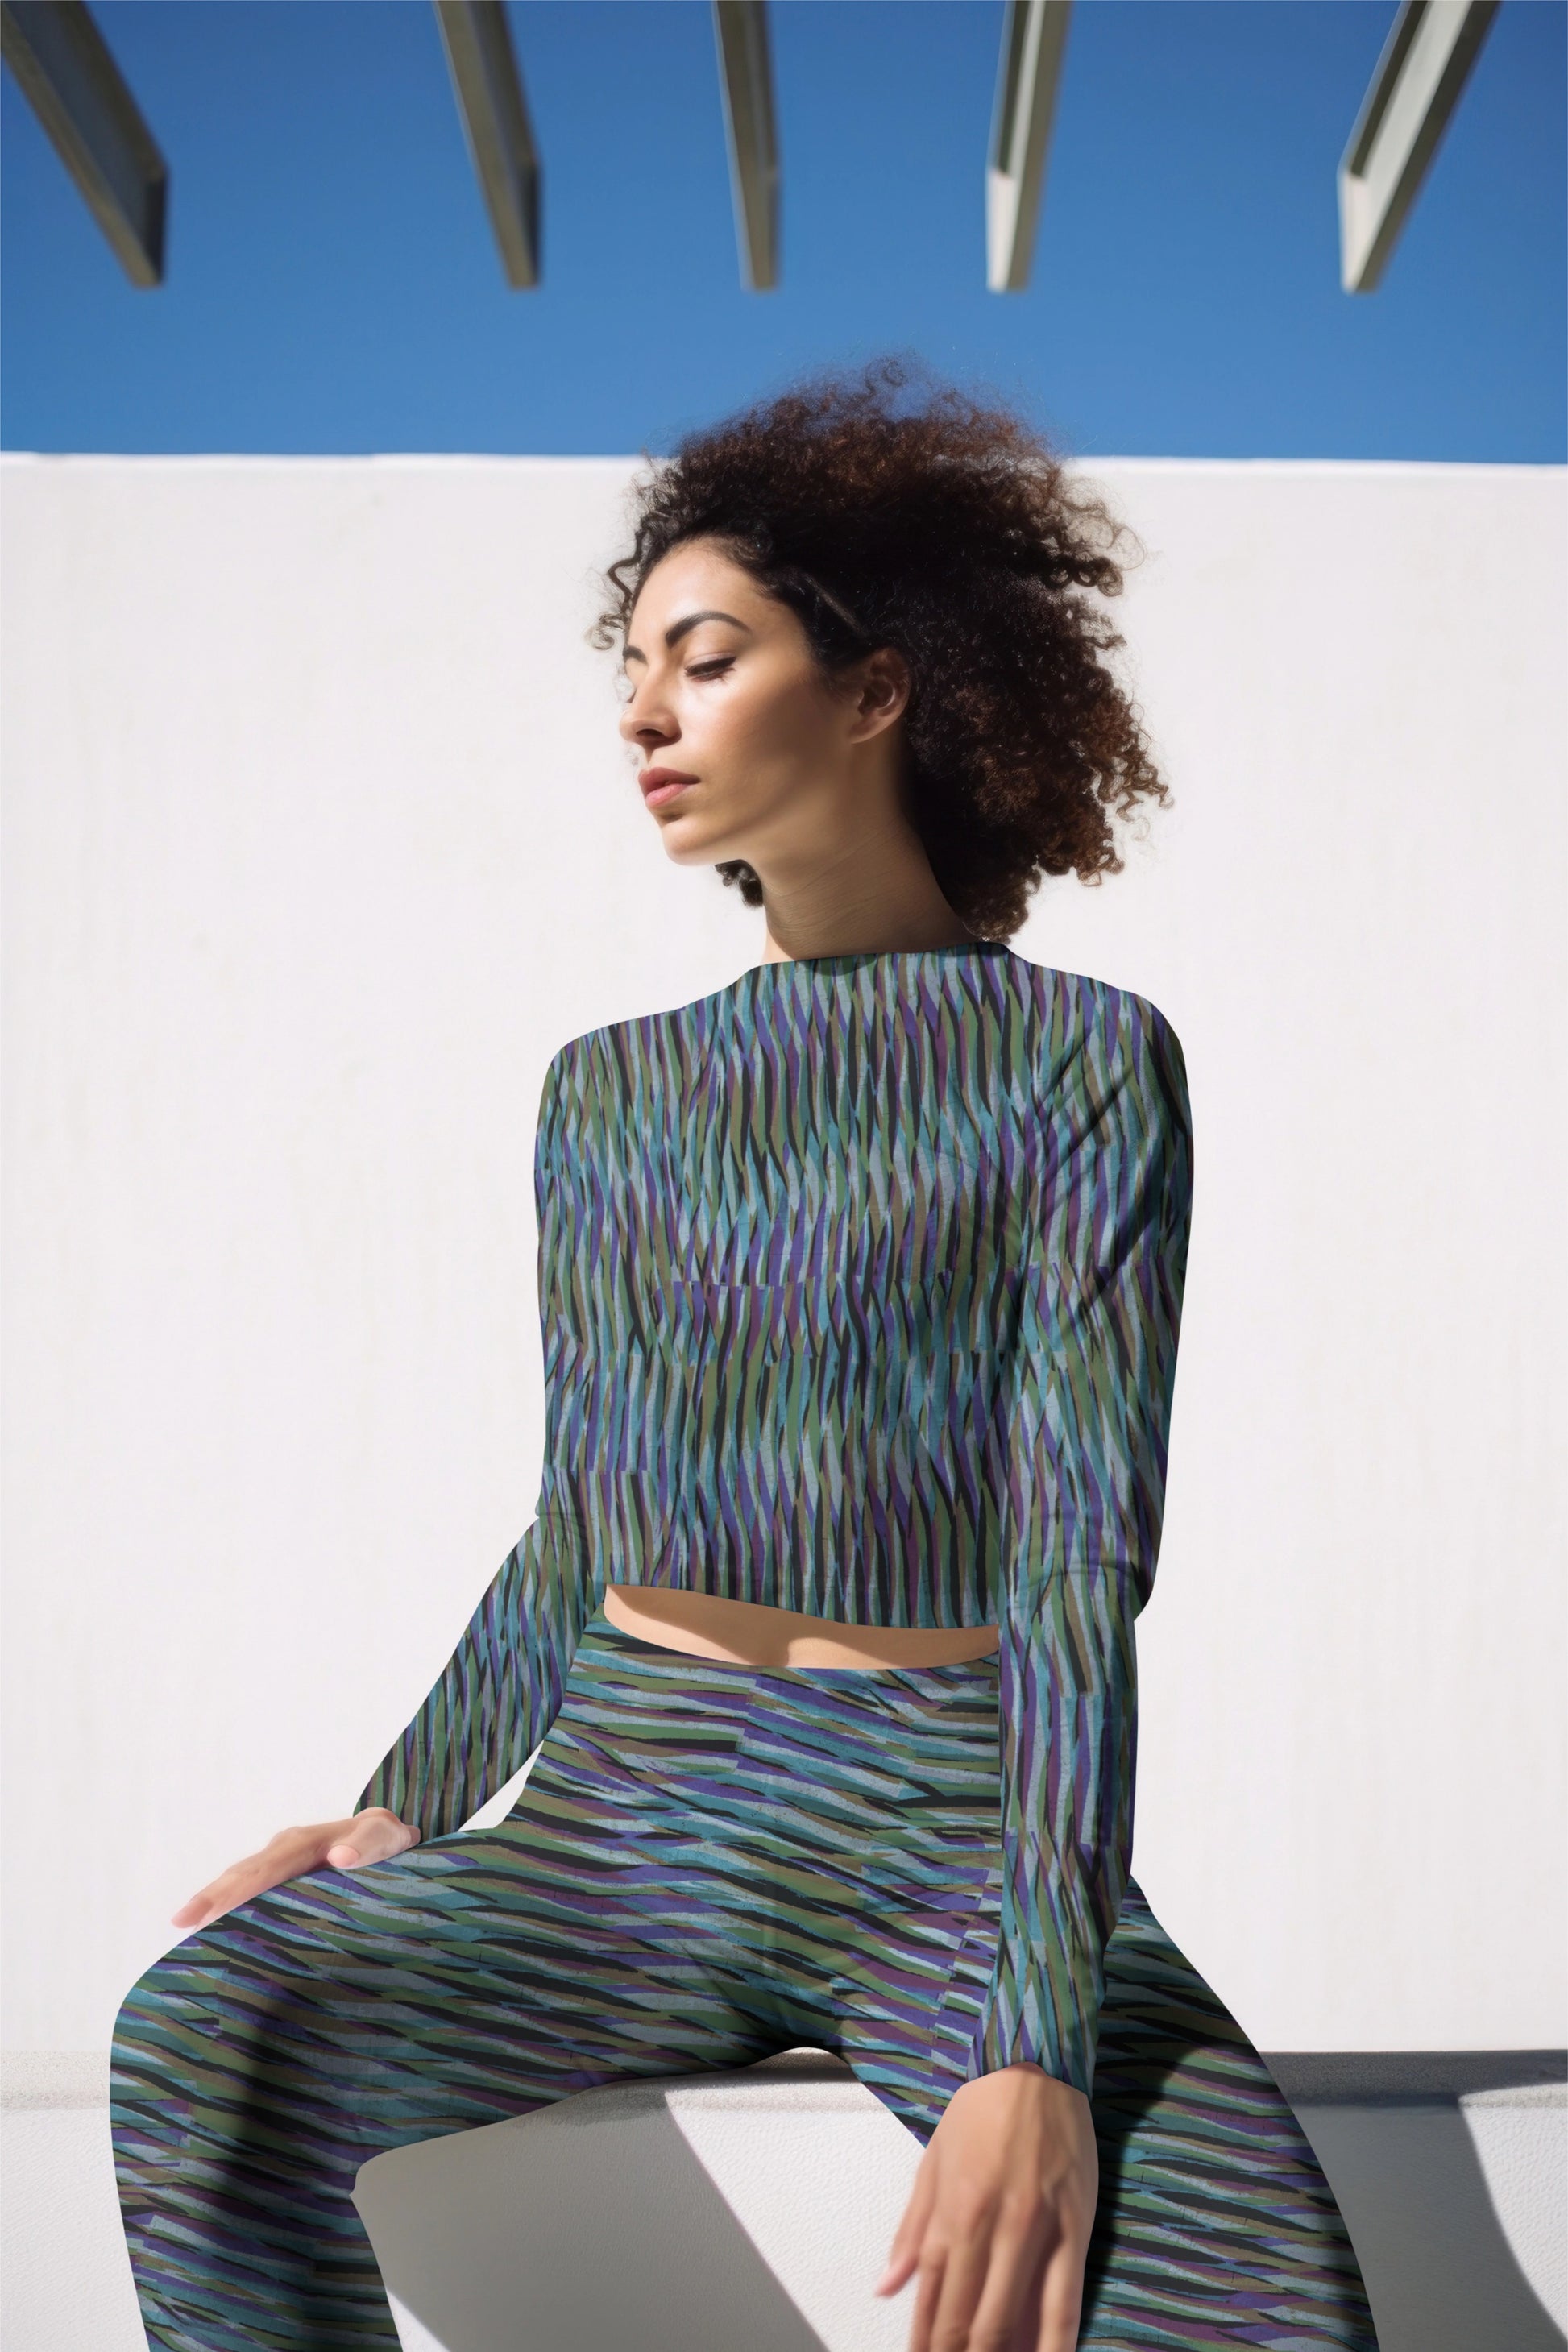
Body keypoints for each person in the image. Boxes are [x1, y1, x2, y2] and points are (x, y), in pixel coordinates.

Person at [111, 356, 1379, 2352]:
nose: (642, 711)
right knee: (203, 2035)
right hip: (622, 1813)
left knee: (1259, 2285)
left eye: (704, 660)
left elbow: (1075, 1557)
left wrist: (1034, 2035)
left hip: (944, 1825)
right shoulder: (608, 1093)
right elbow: (578, 1518)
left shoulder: (1080, 1059)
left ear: (875, 692)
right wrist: (403, 1802)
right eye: (632, 668)